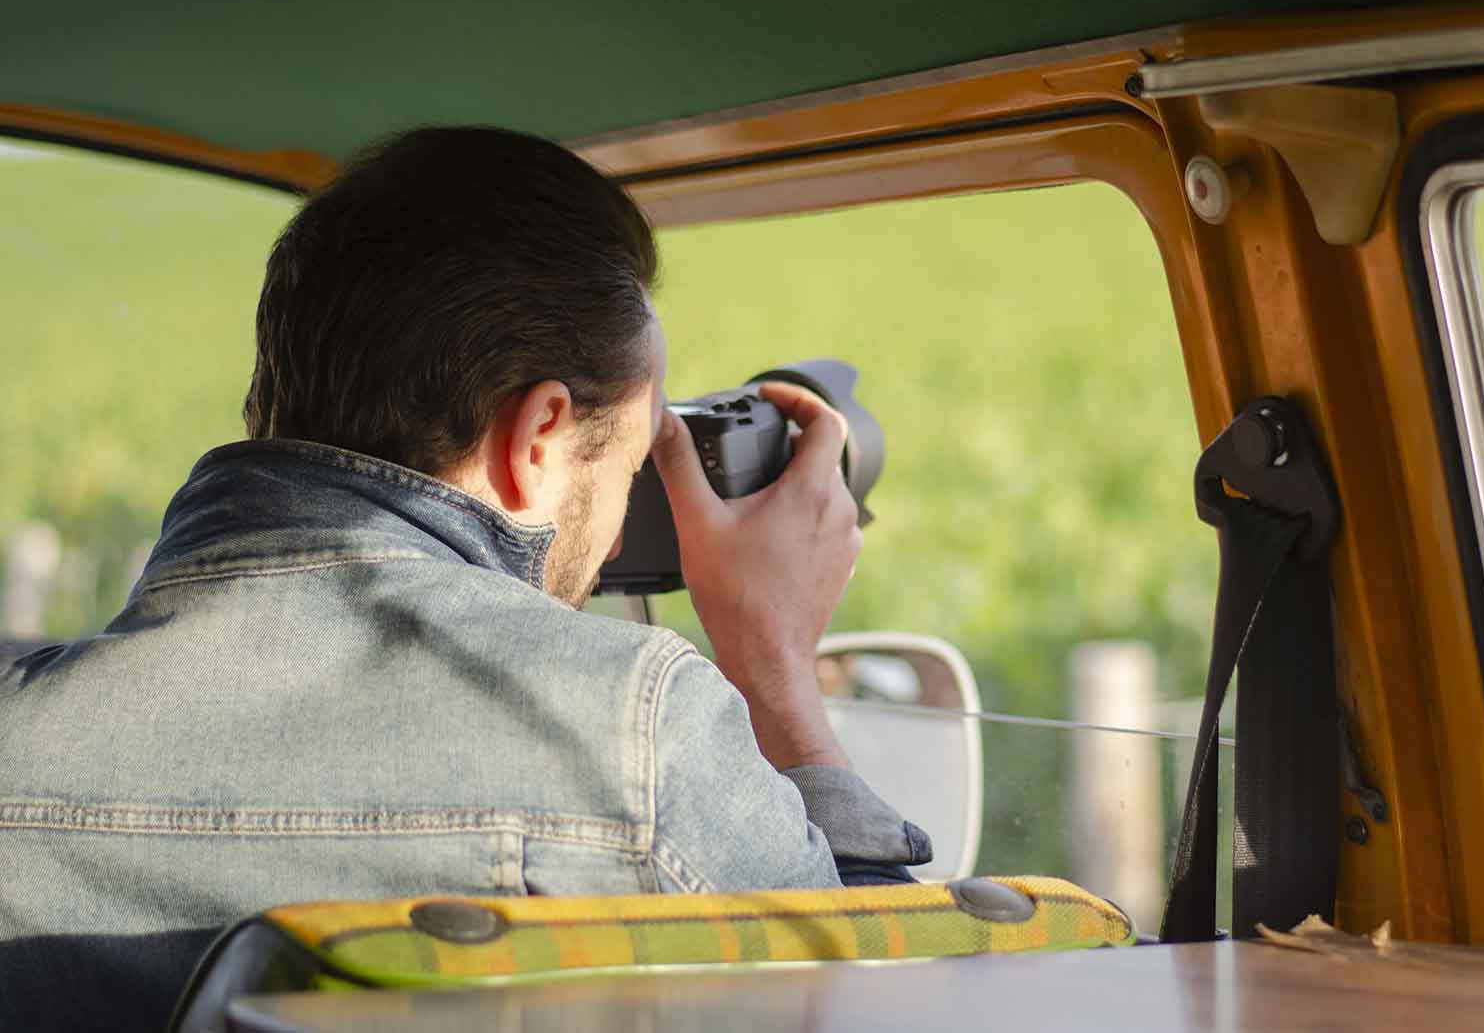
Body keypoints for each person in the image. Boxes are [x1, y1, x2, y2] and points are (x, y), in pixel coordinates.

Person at [0, 127, 929, 1030]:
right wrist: (775, 668)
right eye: (633, 462)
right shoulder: (638, 736)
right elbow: (889, 1008)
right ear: (536, 437)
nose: (611, 547)